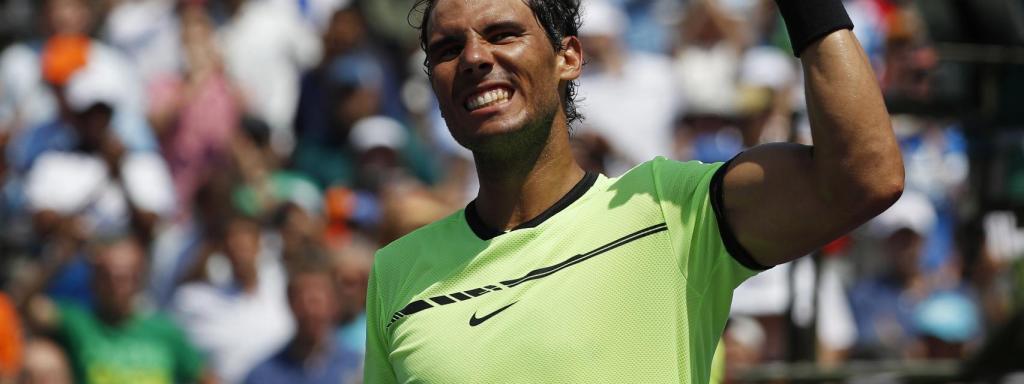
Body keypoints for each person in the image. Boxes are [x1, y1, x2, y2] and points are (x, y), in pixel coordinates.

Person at [364, 0, 903, 382]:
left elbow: (865, 176)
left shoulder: (670, 209)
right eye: (448, 47)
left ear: (568, 57)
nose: (476, 58)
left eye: (503, 33)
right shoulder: (395, 272)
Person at [23, 234, 212, 384]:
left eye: (124, 278)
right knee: (39, 358)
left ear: (139, 280)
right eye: (107, 277)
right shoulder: (76, 322)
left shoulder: (164, 331)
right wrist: (60, 256)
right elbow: (25, 305)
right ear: (94, 279)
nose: (116, 287)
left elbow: (206, 377)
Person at [243, 257, 363, 384]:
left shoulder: (358, 369)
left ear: (334, 303)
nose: (311, 311)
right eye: (302, 301)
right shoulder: (263, 375)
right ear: (289, 302)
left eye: (317, 301)